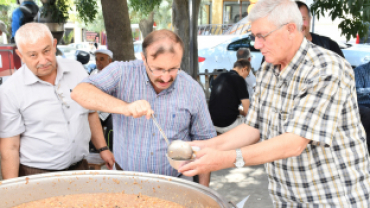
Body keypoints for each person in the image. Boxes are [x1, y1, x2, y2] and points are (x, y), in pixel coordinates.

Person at [178, 0, 370, 207]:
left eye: (262, 36)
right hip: (285, 197)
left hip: (332, 198)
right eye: (254, 37)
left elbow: (295, 142)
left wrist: (224, 159)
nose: (256, 45)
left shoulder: (326, 68)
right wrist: (203, 147)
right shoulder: (269, 69)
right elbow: (252, 128)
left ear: (290, 29)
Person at [71, 29, 216, 186]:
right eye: (158, 69)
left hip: (176, 182)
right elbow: (79, 93)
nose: (166, 77)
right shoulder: (121, 72)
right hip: (125, 181)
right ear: (143, 58)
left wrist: (204, 191)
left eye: (174, 68)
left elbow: (205, 142)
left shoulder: (192, 89)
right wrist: (126, 107)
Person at [0, 23, 115, 179]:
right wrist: (12, 191)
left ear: (54, 45)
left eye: (46, 51)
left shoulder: (77, 69)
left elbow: (90, 112)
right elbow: (10, 147)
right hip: (36, 174)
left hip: (79, 168)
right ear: (20, 55)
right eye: (33, 55)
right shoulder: (10, 90)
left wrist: (102, 148)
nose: (43, 60)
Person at [209, 59, 250, 134]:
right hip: (227, 125)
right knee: (252, 125)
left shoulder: (220, 76)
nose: (245, 77)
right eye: (247, 75)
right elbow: (247, 111)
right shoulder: (239, 80)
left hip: (212, 123)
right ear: (244, 69)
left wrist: (239, 111)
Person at [89, 49, 114, 151]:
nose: (98, 62)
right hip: (96, 110)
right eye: (96, 59)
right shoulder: (93, 74)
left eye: (102, 59)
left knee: (113, 123)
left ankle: (110, 150)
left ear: (110, 61)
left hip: (110, 111)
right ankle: (92, 150)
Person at [354, 61, 370, 153]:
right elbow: (354, 90)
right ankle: (365, 146)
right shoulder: (359, 71)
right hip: (362, 104)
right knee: (367, 113)